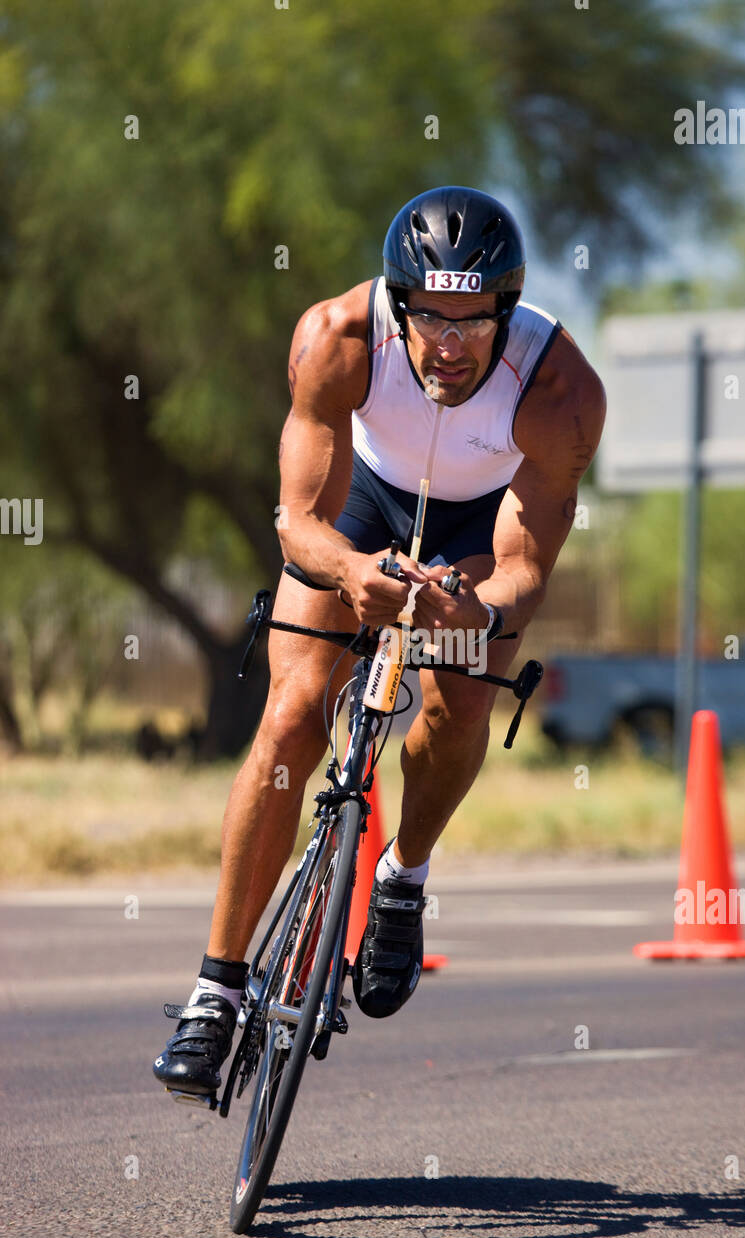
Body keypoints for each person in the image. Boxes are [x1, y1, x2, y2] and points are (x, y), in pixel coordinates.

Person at [153, 185, 606, 1096]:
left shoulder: (560, 389)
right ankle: (216, 992)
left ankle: (402, 880)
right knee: (288, 720)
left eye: (472, 321)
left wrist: (473, 615)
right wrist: (352, 572)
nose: (448, 343)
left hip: (481, 530)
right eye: (429, 317)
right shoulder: (337, 338)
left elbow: (525, 571)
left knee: (460, 698)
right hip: (362, 507)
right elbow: (296, 521)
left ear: (505, 311)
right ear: (397, 306)